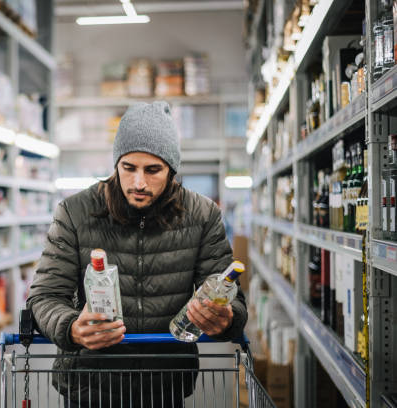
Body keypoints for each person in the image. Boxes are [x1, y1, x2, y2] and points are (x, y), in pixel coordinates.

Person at [27, 101, 247, 407]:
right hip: (90, 383)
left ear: (171, 169)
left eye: (153, 170)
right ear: (116, 163)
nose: (139, 182)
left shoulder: (203, 215)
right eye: (128, 168)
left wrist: (226, 318)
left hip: (165, 385)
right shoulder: (75, 212)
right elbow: (44, 296)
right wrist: (71, 327)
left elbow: (230, 295)